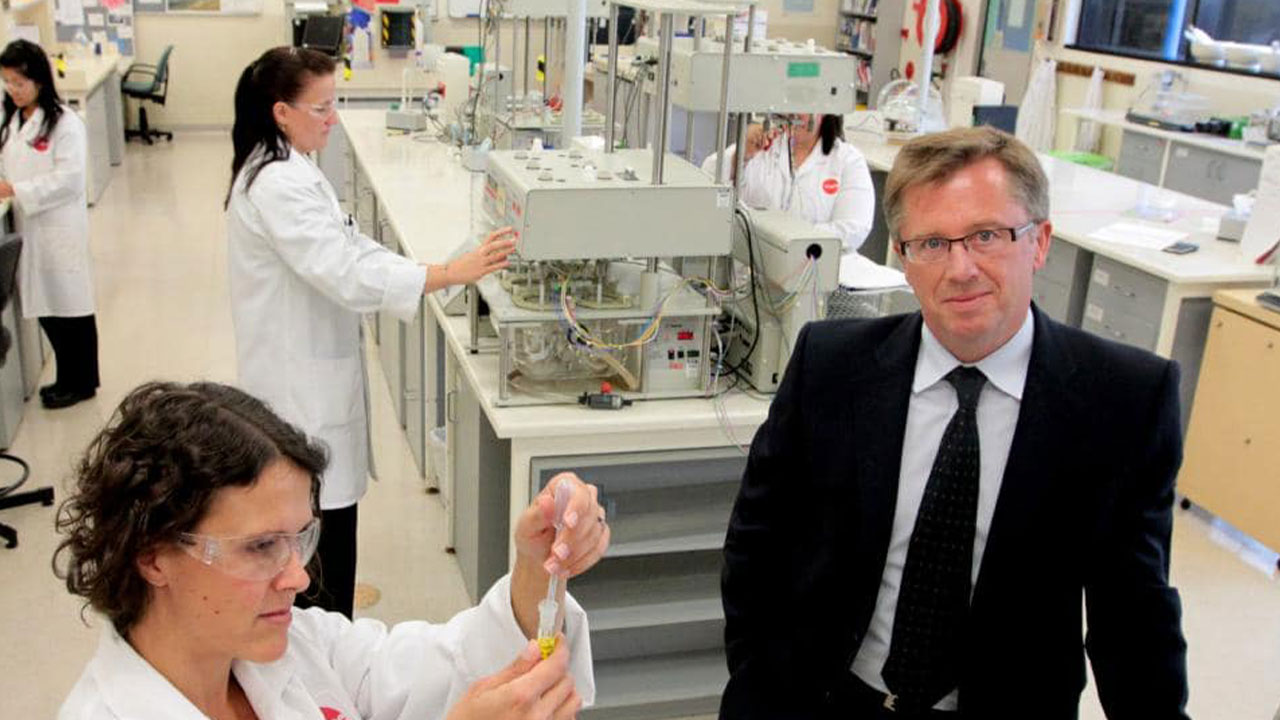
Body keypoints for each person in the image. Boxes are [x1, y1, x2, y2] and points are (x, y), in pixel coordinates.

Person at [720, 127, 1189, 718]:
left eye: (987, 236)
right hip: (832, 697)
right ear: (902, 257)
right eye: (933, 243)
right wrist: (758, 681)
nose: (961, 268)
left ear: (1039, 242)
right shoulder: (830, 367)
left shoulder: (1122, 400)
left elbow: (1135, 618)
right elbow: (757, 543)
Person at [55, 381, 610, 720]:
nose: (297, 578)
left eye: (299, 538)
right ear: (153, 556)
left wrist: (538, 568)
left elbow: (445, 665)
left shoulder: (291, 644)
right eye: (261, 546)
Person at [224, 47, 516, 618]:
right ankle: (323, 660)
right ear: (282, 112)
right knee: (316, 559)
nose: (332, 118)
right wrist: (445, 275)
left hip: (306, 378)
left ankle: (327, 646)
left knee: (326, 544)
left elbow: (349, 244)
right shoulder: (278, 183)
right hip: (298, 394)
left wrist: (429, 269)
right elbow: (344, 272)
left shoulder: (288, 165)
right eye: (322, 108)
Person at [0, 39, 99, 409]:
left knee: (70, 307)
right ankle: (67, 378)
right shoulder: (13, 121)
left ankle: (82, 383)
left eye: (19, 82)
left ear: (39, 80)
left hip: (58, 226)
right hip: (30, 224)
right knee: (47, 308)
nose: (13, 90)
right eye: (7, 82)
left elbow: (70, 180)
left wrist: (17, 189)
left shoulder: (65, 123)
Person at [701, 114, 875, 255]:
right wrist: (740, 155)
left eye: (804, 102)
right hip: (752, 271)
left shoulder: (847, 160)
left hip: (815, 271)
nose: (793, 114)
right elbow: (706, 183)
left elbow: (853, 229)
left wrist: (785, 239)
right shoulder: (761, 145)